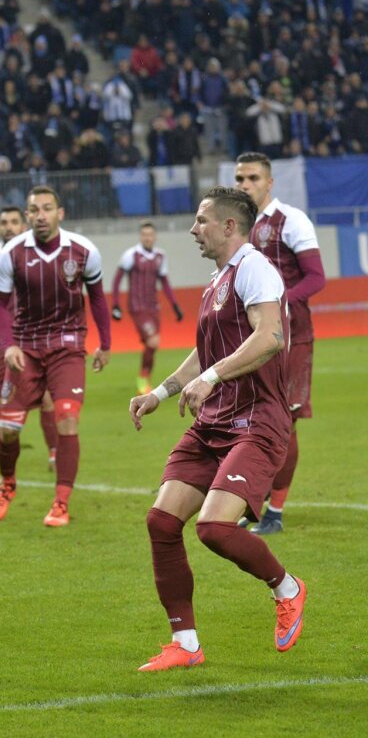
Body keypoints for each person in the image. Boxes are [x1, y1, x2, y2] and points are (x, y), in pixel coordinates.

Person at [128, 186, 306, 671]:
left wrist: (211, 377)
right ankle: (185, 645)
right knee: (162, 522)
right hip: (213, 422)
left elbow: (269, 336)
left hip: (255, 422)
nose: (192, 229)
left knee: (212, 528)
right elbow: (203, 354)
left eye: (202, 220)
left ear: (230, 226)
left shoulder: (254, 268)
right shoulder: (219, 279)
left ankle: (287, 589)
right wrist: (160, 393)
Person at [0, 185, 112, 527]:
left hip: (68, 345)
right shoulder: (11, 254)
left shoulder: (84, 251)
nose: (40, 215)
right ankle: (8, 484)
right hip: (26, 348)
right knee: (8, 429)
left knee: (67, 418)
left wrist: (106, 343)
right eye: (34, 210)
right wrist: (10, 343)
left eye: (46, 208)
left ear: (60, 213)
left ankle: (61, 503)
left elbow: (98, 298)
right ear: (27, 216)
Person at [232, 153, 326, 535]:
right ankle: (257, 501)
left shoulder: (290, 220)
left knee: (285, 424)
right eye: (240, 178)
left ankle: (276, 511)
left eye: (252, 178)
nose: (245, 185)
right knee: (255, 422)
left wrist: (280, 302)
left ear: (269, 183)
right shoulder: (236, 226)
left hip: (292, 337)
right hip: (252, 338)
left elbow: (316, 277)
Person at [0, 206, 59, 471]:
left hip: (34, 339)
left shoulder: (37, 255)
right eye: (3, 222)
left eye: (14, 222)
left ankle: (55, 452)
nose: (8, 226)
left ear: (23, 225)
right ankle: (7, 441)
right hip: (0, 344)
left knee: (46, 398)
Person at [111, 223, 184, 394]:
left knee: (152, 345)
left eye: (150, 234)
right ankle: (143, 379)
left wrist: (175, 306)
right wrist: (116, 305)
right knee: (153, 341)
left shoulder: (160, 256)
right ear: (140, 236)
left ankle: (145, 378)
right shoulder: (131, 255)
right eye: (144, 234)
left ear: (155, 236)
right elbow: (116, 280)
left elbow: (164, 283)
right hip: (137, 307)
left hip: (153, 307)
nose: (147, 238)